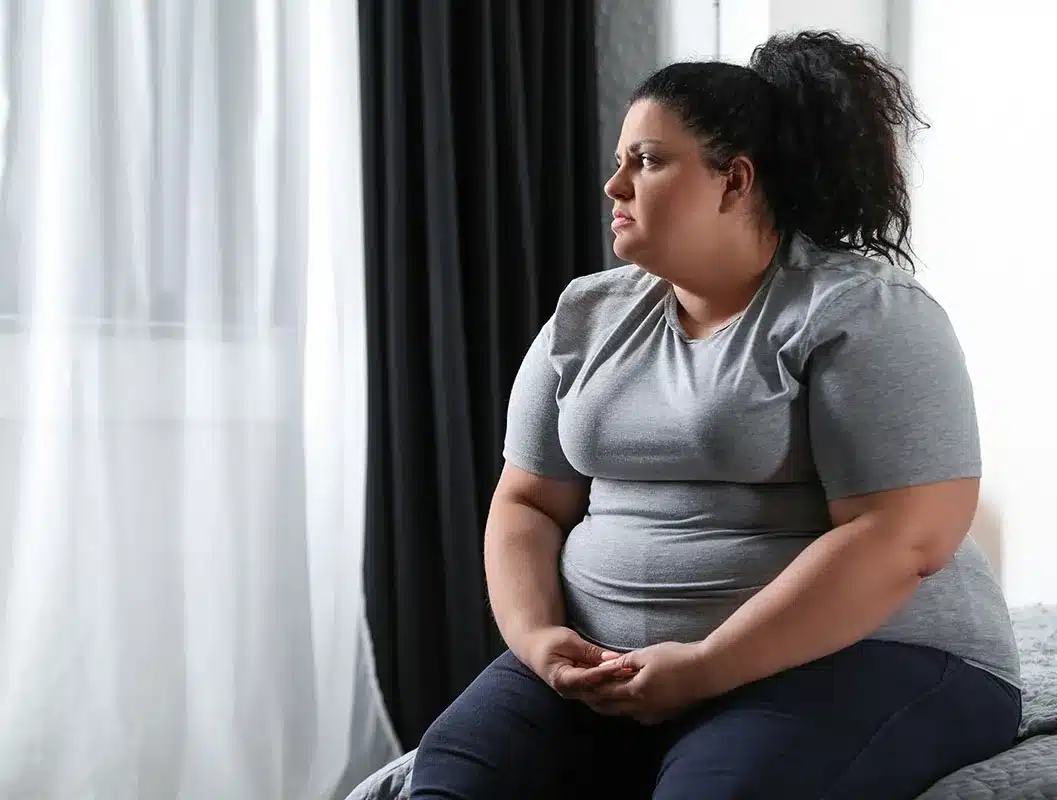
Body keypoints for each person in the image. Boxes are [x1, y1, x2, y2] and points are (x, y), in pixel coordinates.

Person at [409, 30, 1021, 800]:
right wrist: (538, 641)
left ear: (734, 180)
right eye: (621, 160)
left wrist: (705, 667)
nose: (614, 185)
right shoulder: (585, 316)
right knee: (450, 776)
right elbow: (527, 502)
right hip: (611, 666)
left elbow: (903, 539)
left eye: (647, 160)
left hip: (866, 657)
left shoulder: (863, 313)